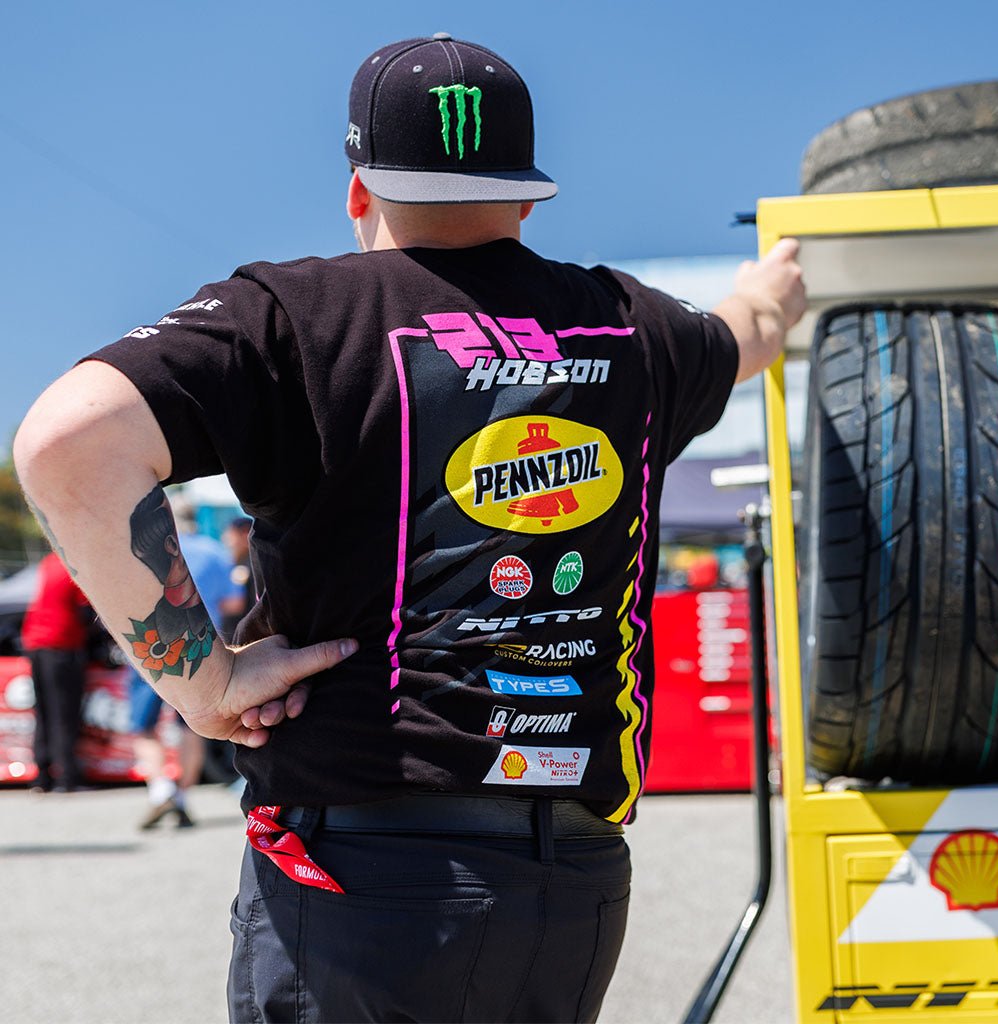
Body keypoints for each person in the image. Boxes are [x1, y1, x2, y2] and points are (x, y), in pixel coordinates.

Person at [13, 33, 805, 1023]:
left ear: (359, 192)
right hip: (572, 883)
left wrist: (203, 682)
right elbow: (753, 331)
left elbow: (65, 444)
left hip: (361, 874)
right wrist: (777, 279)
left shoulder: (299, 317)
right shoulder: (633, 328)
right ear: (525, 197)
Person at [129, 494, 245, 828]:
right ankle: (180, 797)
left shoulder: (146, 550)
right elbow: (235, 605)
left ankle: (160, 791)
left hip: (149, 644)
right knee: (193, 723)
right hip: (203, 646)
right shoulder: (215, 553)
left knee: (142, 725)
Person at [21, 551, 90, 792]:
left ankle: (42, 776)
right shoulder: (75, 563)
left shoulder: (49, 561)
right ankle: (67, 778)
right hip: (61, 645)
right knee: (64, 713)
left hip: (35, 643)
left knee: (43, 711)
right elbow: (86, 611)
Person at [220, 516, 257, 637]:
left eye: (231, 534)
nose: (226, 539)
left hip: (243, 636)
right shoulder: (242, 563)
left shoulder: (248, 565)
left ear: (245, 534)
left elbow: (235, 604)